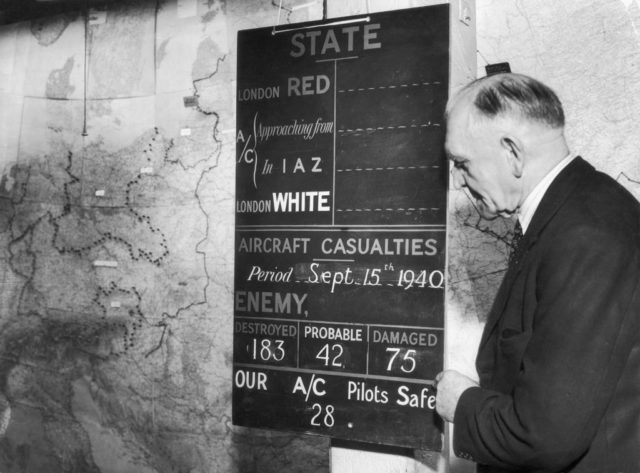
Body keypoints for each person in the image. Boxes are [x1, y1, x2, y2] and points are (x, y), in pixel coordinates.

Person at [435, 73, 640, 472]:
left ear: (512, 152)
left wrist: (463, 404)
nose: (457, 180)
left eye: (461, 163)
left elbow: (546, 436)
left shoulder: (586, 236)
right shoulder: (572, 211)